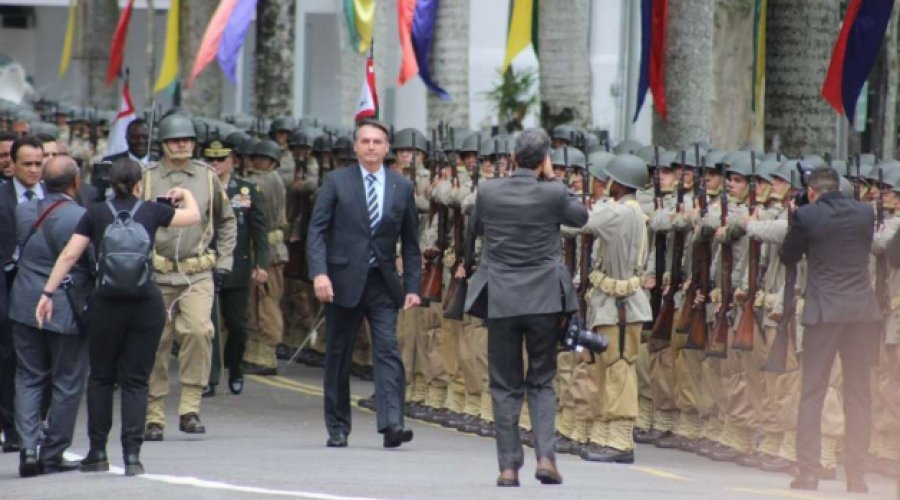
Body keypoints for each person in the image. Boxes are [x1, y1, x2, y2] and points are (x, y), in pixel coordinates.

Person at [36, 159, 200, 476]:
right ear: (140, 184)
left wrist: (47, 294)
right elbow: (194, 216)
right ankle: (132, 456)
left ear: (111, 184)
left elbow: (69, 255)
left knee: (100, 379)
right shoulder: (152, 211)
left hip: (105, 303)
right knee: (136, 381)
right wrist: (184, 194)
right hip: (145, 303)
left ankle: (97, 451)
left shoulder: (95, 213)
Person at [464, 128, 589, 487]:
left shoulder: (488, 190)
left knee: (504, 385)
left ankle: (507, 466)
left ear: (513, 157)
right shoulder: (553, 192)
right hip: (544, 300)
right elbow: (581, 217)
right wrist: (552, 178)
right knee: (541, 381)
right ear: (545, 159)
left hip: (502, 297)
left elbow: (475, 229)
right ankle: (546, 457)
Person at [306, 118, 422, 449]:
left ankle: (392, 423)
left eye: (377, 142)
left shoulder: (402, 187)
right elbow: (316, 230)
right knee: (339, 354)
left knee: (387, 349)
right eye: (365, 141)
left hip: (382, 283)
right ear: (356, 147)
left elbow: (411, 243)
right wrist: (320, 273)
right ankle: (338, 425)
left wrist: (412, 286)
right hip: (341, 281)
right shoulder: (336, 182)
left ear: (388, 149)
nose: (371, 147)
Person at [780, 166, 881, 493]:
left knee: (813, 392)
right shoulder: (866, 213)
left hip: (824, 312)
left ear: (812, 191)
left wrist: (794, 218)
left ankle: (808, 472)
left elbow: (788, 256)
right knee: (858, 395)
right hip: (861, 314)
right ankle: (857, 476)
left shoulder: (808, 216)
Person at [141, 114, 236, 441]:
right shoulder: (148, 178)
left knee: (199, 331)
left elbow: (227, 221)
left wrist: (224, 261)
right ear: (163, 144)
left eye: (187, 140)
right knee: (156, 342)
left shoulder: (208, 178)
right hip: (157, 271)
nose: (181, 145)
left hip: (197, 271)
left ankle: (190, 408)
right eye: (174, 140)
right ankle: (153, 414)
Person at [9, 157, 89, 477]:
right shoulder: (82, 217)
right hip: (65, 305)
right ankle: (53, 452)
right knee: (67, 382)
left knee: (28, 376)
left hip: (25, 302)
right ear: (76, 182)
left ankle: (28, 448)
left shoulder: (25, 210)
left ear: (43, 180)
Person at [205, 140, 269, 395]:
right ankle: (209, 378)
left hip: (237, 266)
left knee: (237, 326)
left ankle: (235, 367)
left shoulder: (247, 190)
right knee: (207, 327)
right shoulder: (198, 189)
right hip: (206, 264)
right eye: (211, 159)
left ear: (232, 161)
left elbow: (259, 231)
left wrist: (261, 263)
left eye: (221, 159)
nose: (215, 164)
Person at [0, 134, 46, 454]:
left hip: (46, 284)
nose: (33, 170)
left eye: (38, 164)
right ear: (11, 165)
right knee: (9, 357)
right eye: (26, 164)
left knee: (46, 356)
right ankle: (13, 427)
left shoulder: (53, 197)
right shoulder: (3, 198)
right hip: (8, 282)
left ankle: (37, 421)